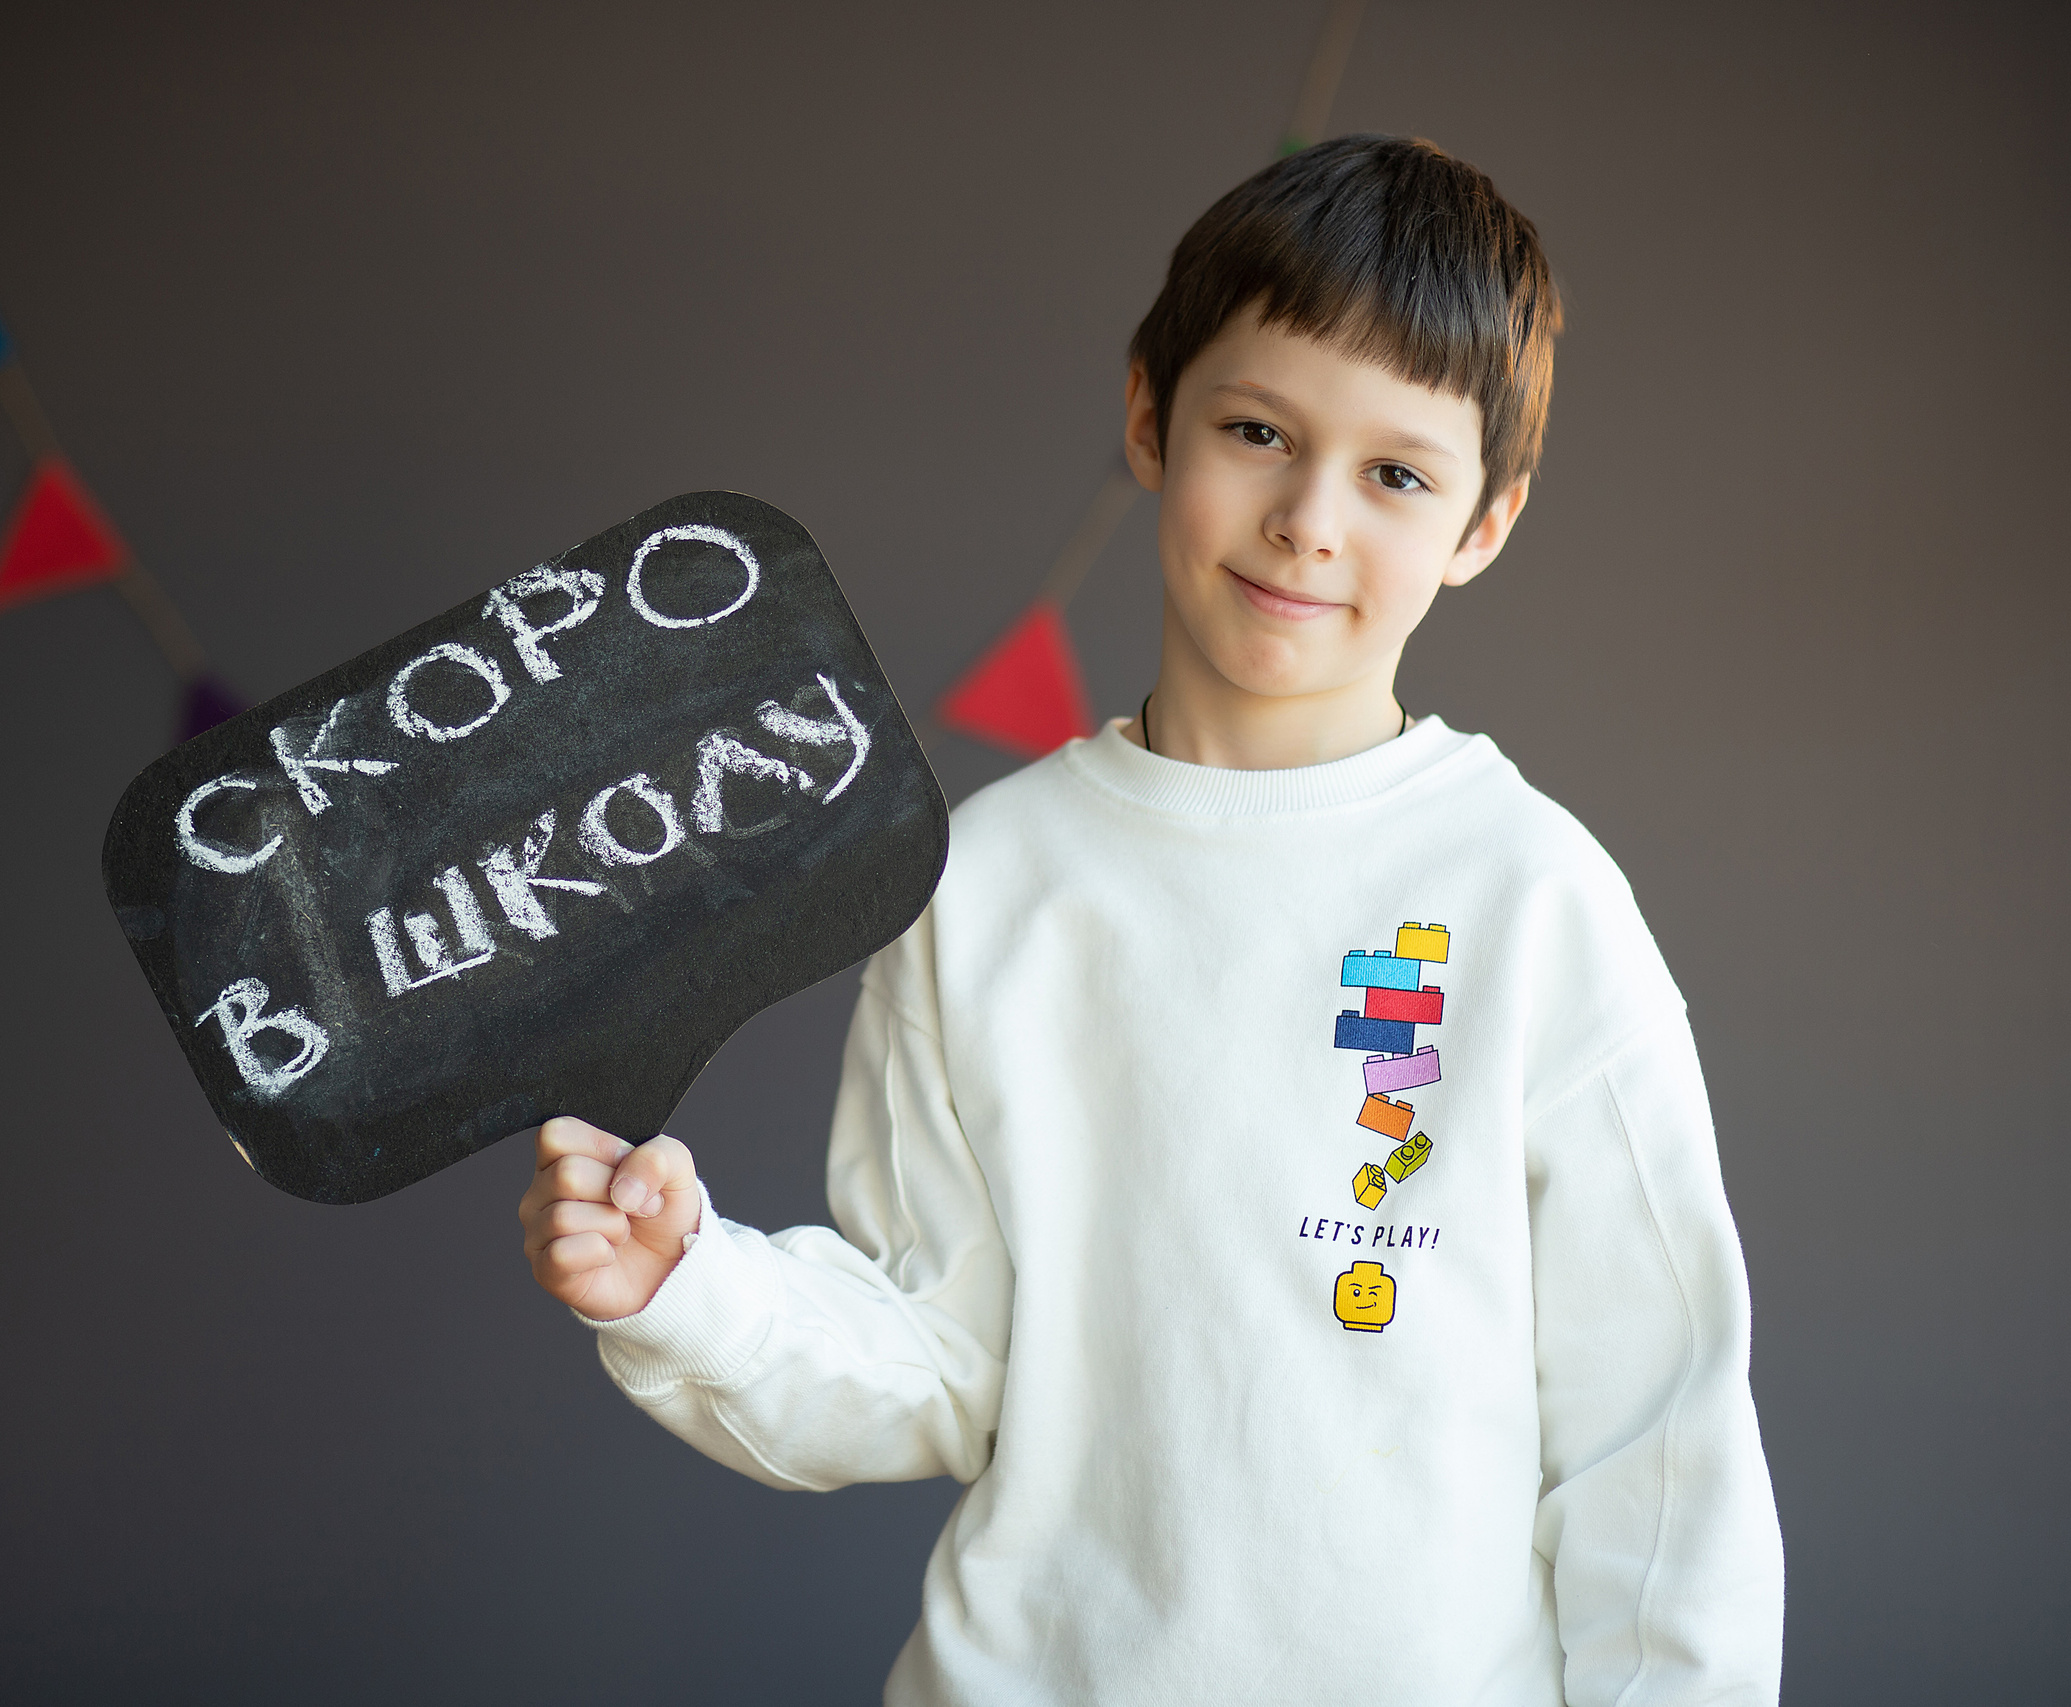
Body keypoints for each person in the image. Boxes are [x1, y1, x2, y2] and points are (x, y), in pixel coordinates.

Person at [517, 134, 1784, 1704]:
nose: (1310, 519)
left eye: (1396, 473)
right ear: (1148, 418)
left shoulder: (1532, 902)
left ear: (1486, 525)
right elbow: (933, 1354)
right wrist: (692, 1286)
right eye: (1258, 430)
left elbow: (1656, 1441)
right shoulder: (979, 883)